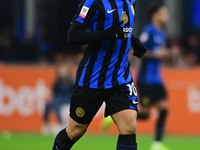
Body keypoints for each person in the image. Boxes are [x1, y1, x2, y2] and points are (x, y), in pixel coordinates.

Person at [52, 0, 147, 149]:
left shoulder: (131, 1)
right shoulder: (93, 2)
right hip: (92, 78)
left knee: (129, 126)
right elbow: (73, 35)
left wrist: (133, 41)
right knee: (76, 130)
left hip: (120, 77)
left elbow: (122, 27)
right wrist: (104, 34)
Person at [136, 2, 170, 150]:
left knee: (164, 108)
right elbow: (138, 51)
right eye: (163, 13)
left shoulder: (162, 33)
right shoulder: (148, 31)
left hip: (157, 79)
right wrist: (157, 54)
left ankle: (157, 143)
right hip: (146, 80)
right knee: (145, 114)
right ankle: (116, 115)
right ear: (155, 15)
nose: (166, 16)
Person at [42, 63, 74, 134]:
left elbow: (72, 93)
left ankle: (61, 123)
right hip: (58, 99)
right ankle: (46, 125)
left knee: (58, 107)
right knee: (47, 105)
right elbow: (55, 93)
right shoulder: (57, 81)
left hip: (67, 100)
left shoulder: (71, 81)